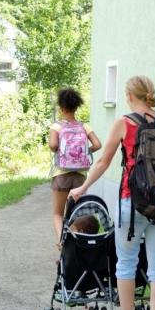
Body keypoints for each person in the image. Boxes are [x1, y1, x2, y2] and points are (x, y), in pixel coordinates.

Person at [69, 75, 155, 310]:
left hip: (132, 202)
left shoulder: (124, 123)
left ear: (130, 96)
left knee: (126, 264)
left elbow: (103, 162)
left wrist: (82, 188)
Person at [49, 88, 101, 247]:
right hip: (80, 175)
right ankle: (79, 243)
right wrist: (85, 152)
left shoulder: (56, 126)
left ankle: (61, 242)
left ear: (61, 107)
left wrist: (57, 150)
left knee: (58, 213)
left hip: (61, 174)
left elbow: (53, 145)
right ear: (76, 106)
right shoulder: (84, 126)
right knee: (77, 213)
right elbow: (98, 144)